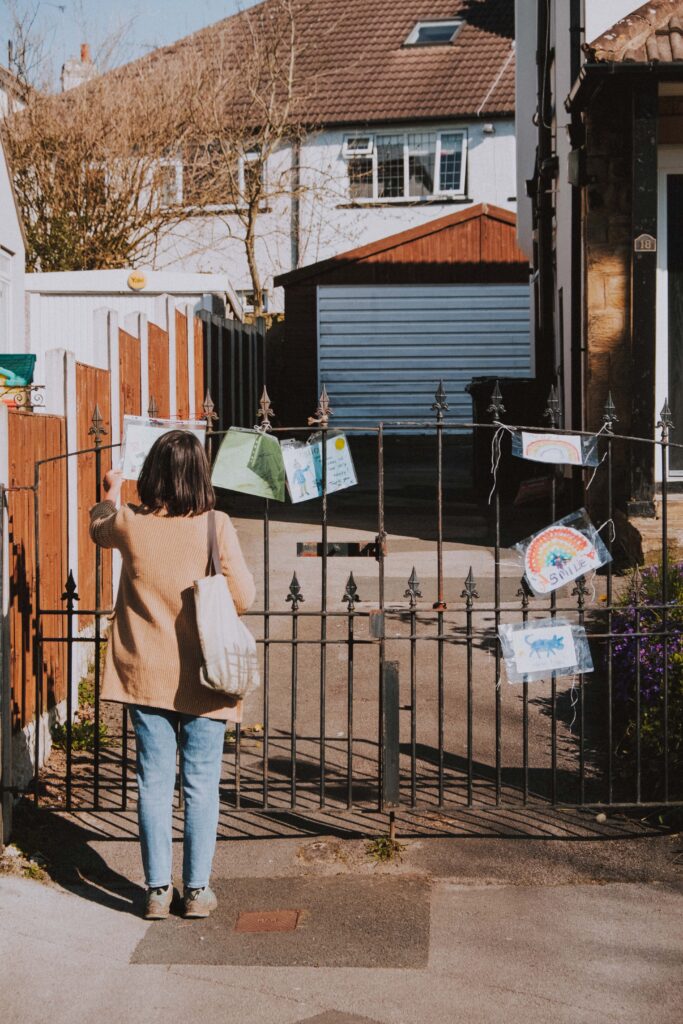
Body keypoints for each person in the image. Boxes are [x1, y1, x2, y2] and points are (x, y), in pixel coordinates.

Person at [89, 430, 256, 921]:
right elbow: (242, 597)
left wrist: (110, 490)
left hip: (146, 672)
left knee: (153, 782)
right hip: (206, 675)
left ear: (153, 473)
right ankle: (198, 891)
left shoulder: (131, 524)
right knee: (203, 781)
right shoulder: (216, 525)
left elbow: (99, 528)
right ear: (200, 474)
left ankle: (157, 891)